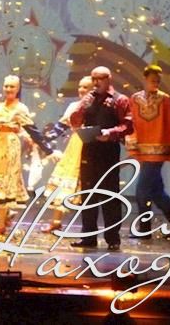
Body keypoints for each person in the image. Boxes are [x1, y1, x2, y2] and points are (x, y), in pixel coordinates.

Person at [0, 75, 53, 235]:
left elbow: (32, 130)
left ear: (18, 88)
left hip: (10, 146)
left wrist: (47, 149)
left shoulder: (20, 108)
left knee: (4, 183)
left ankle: (0, 224)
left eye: (12, 86)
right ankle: (4, 218)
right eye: (6, 86)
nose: (8, 89)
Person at [69, 66, 133, 251]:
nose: (96, 83)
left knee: (109, 195)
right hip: (89, 149)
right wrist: (82, 105)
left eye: (100, 79)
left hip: (108, 151)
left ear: (109, 79)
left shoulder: (120, 100)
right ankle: (88, 236)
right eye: (94, 79)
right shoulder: (88, 99)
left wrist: (110, 133)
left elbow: (128, 125)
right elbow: (75, 121)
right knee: (87, 194)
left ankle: (113, 238)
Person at [127, 64, 170, 238]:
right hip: (142, 150)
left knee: (142, 191)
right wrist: (133, 146)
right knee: (157, 192)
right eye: (152, 81)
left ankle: (145, 230)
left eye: (158, 81)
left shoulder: (165, 99)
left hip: (158, 151)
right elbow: (132, 124)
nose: (155, 84)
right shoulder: (135, 99)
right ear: (145, 79)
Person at [41, 75, 94, 232]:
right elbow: (61, 126)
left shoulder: (96, 107)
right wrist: (45, 138)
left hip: (91, 147)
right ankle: (56, 221)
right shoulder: (74, 106)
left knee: (89, 186)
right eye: (80, 86)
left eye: (86, 87)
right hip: (75, 146)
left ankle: (89, 228)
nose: (81, 90)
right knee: (63, 180)